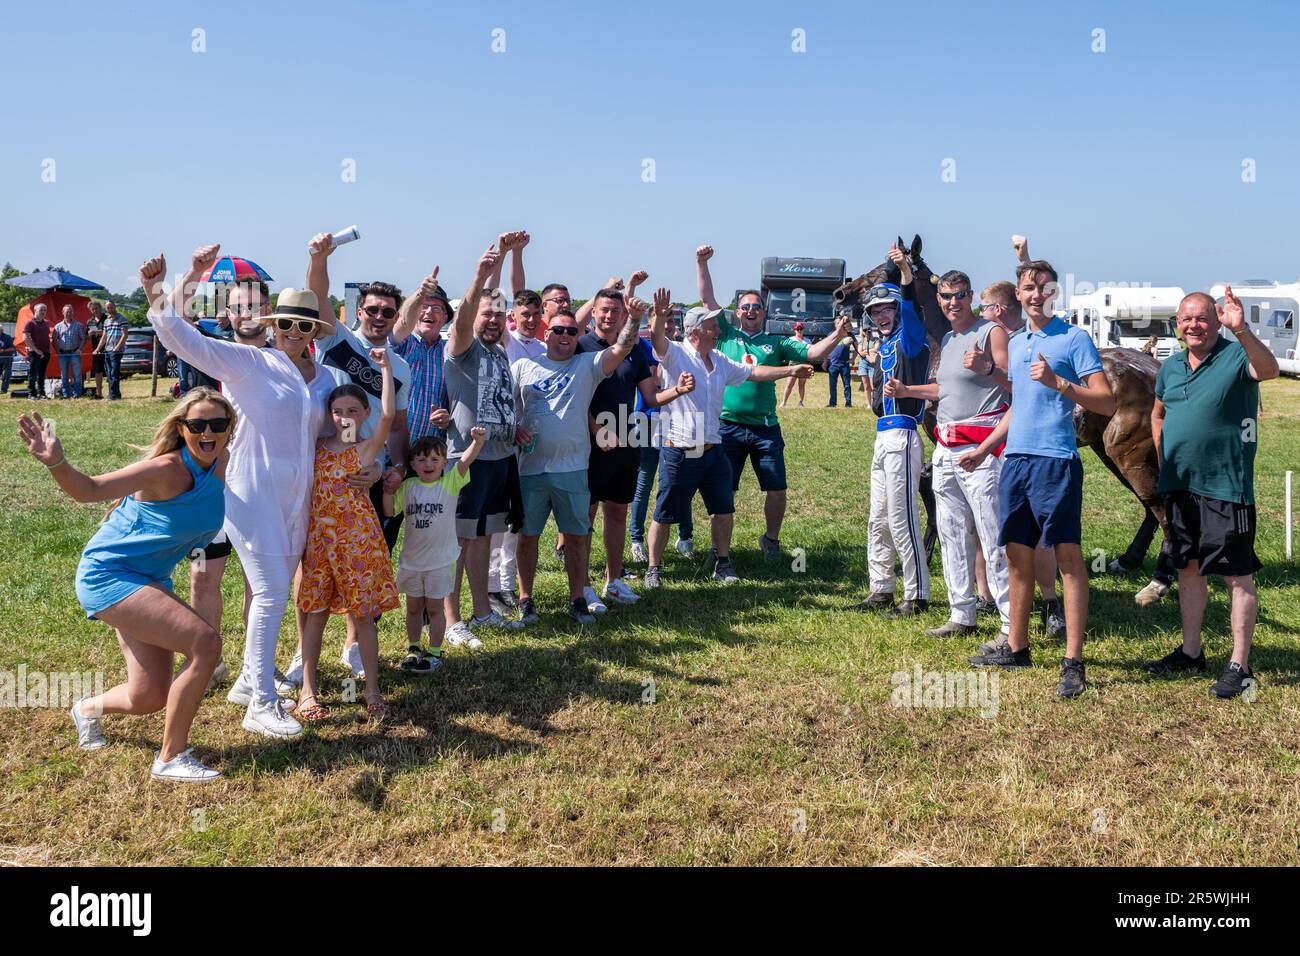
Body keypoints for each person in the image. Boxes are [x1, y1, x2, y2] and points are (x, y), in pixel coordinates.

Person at [145, 245, 344, 740]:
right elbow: (175, 332)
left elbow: (340, 431)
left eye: (305, 326)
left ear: (315, 333)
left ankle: (250, 681)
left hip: (297, 500)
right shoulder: (249, 364)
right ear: (274, 327)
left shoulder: (319, 381)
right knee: (274, 591)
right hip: (250, 495)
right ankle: (260, 702)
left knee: (269, 591)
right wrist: (184, 278)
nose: (295, 333)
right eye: (287, 324)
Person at [16, 391, 231, 782]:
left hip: (148, 579)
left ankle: (86, 710)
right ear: (182, 430)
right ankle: (171, 757)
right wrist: (57, 462)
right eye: (197, 425)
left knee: (148, 696)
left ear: (230, 429)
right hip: (110, 575)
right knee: (205, 644)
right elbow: (91, 490)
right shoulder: (165, 469)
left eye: (218, 424)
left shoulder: (220, 464)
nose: (208, 433)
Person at [958, 257, 1115, 698]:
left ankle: (1073, 660)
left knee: (1067, 560)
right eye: (1028, 288)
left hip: (1056, 463)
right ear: (1020, 295)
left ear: (1053, 294)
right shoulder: (1018, 340)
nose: (1035, 295)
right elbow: (1018, 406)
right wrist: (986, 447)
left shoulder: (1073, 338)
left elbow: (1105, 402)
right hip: (1017, 463)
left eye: (1043, 288)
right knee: (1016, 556)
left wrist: (1059, 382)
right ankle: (1017, 646)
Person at [1144, 287, 1279, 698]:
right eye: (1186, 319)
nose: (1193, 325)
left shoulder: (1237, 355)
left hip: (1226, 486)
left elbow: (1270, 369)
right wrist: (1165, 460)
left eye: (1202, 318)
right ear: (1177, 324)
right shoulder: (1169, 367)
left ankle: (1240, 664)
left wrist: (1244, 332)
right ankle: (1191, 651)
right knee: (1188, 567)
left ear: (1217, 320)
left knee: (1236, 576)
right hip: (1180, 486)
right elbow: (1159, 412)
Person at [645, 290, 812, 587]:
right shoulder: (676, 353)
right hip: (679, 450)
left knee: (724, 510)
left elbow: (754, 372)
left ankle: (723, 563)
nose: (718, 330)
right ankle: (654, 569)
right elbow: (657, 339)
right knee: (664, 513)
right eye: (712, 326)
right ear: (696, 331)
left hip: (713, 448)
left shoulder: (719, 359)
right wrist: (658, 314)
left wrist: (790, 369)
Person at [695, 244, 849, 560]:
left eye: (757, 307)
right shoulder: (725, 335)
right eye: (745, 307)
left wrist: (836, 335)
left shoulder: (776, 342)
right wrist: (701, 263)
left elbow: (813, 355)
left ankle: (771, 540)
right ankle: (718, 548)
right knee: (724, 492)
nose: (751, 311)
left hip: (765, 429)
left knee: (777, 490)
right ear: (736, 312)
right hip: (727, 427)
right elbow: (708, 299)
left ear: (764, 313)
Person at [306, 232, 413, 677]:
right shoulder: (337, 341)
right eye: (372, 309)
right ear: (358, 311)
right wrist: (319, 257)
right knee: (314, 562)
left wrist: (398, 470)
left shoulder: (401, 367)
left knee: (368, 561)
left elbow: (396, 425)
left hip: (369, 475)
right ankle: (304, 651)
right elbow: (316, 296)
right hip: (322, 466)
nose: (380, 316)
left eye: (388, 312)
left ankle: (354, 643)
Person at [886, 269, 1012, 639]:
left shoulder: (992, 332)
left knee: (992, 536)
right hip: (946, 447)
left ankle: (1008, 622)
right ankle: (962, 615)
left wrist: (987, 367)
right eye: (945, 296)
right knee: (952, 532)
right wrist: (907, 387)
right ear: (938, 299)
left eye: (959, 295)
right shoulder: (950, 338)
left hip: (982, 448)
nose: (952, 302)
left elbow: (1015, 387)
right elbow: (943, 388)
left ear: (970, 296)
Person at [296, 351, 400, 721]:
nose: (345, 417)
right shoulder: (317, 448)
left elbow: (389, 415)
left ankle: (372, 691)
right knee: (316, 613)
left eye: (353, 410)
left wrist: (386, 369)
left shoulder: (365, 449)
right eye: (338, 411)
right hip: (321, 543)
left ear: (364, 414)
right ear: (329, 415)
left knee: (364, 615)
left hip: (358, 541)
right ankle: (308, 692)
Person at [442, 244, 527, 647]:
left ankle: (481, 612)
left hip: (499, 458)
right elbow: (464, 317)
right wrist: (480, 275)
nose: (492, 319)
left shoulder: (498, 351)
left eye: (498, 314)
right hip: (466, 458)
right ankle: (450, 620)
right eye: (485, 313)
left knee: (482, 540)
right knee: (458, 541)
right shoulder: (464, 349)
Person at [576, 284, 677, 609]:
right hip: (591, 442)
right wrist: (596, 430)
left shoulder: (634, 349)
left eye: (615, 311)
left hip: (626, 438)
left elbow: (649, 397)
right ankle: (584, 586)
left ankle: (613, 580)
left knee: (618, 511)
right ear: (593, 313)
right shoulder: (581, 346)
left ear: (624, 315)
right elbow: (574, 400)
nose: (608, 316)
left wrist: (678, 391)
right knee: (586, 516)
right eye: (603, 310)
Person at [979, 273, 1064, 636]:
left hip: (1035, 447)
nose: (977, 313)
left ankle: (1050, 603)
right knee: (998, 532)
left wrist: (987, 370)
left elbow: (1020, 391)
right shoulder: (1007, 341)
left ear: (996, 309)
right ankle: (995, 603)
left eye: (981, 307)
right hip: (1003, 444)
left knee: (1041, 537)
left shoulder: (1021, 341)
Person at [855, 246, 933, 616]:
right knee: (878, 517)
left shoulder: (909, 340)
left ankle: (916, 594)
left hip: (903, 433)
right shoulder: (884, 345)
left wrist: (904, 272)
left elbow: (911, 307)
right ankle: (881, 587)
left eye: (886, 309)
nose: (883, 315)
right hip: (881, 435)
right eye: (876, 311)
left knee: (902, 517)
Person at [383, 430, 482, 673]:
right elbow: (389, 512)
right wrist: (387, 492)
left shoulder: (450, 483)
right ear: (413, 464)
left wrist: (477, 442)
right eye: (422, 459)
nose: (428, 464)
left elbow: (465, 461)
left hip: (440, 562)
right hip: (412, 562)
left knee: (436, 608)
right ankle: (414, 647)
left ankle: (435, 651)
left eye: (435, 460)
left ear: (444, 463)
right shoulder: (408, 487)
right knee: (414, 608)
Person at [488, 287, 548, 617]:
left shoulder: (542, 347)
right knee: (500, 519)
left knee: (518, 520)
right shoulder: (507, 342)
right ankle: (493, 586)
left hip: (531, 443)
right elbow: (504, 292)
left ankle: (508, 585)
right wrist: (512, 254)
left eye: (536, 314)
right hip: (503, 440)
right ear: (513, 317)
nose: (530, 320)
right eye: (524, 314)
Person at [629, 307, 696, 562]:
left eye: (670, 321)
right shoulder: (643, 347)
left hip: (680, 422)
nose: (666, 326)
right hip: (647, 420)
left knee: (681, 482)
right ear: (651, 322)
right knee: (644, 483)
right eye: (661, 321)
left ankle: (685, 536)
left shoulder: (683, 349)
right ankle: (636, 540)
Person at [53, 305, 87, 399]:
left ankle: (76, 395)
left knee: (77, 375)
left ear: (73, 313)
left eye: (71, 311)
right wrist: (57, 351)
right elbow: (54, 340)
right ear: (63, 313)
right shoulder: (58, 326)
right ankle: (65, 395)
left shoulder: (79, 325)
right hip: (63, 354)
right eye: (67, 311)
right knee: (64, 375)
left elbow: (84, 339)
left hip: (74, 353)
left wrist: (79, 349)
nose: (69, 313)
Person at [98, 300, 128, 401]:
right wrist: (98, 348)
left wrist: (118, 347)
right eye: (108, 308)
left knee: (114, 372)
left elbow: (125, 334)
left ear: (115, 307)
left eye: (111, 307)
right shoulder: (106, 321)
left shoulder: (122, 319)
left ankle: (112, 395)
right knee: (109, 373)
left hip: (116, 350)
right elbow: (104, 336)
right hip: (107, 350)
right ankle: (116, 394)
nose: (110, 309)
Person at [23, 303, 51, 399]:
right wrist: (36, 350)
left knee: (42, 374)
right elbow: (26, 338)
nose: (43, 312)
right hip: (34, 353)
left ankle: (41, 393)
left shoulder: (47, 323)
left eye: (45, 310)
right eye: (41, 310)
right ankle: (32, 394)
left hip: (46, 352)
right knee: (33, 374)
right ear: (35, 310)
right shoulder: (30, 323)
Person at [781, 323, 809, 407]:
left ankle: (800, 402)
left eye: (801, 329)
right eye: (798, 329)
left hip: (804, 364)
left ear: (803, 329)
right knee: (789, 384)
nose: (799, 331)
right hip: (793, 364)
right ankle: (784, 402)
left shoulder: (807, 341)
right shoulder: (791, 339)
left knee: (802, 384)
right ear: (795, 330)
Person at [825, 333, 855, 408]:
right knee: (832, 385)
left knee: (847, 385)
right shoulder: (831, 335)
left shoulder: (849, 334)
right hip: (833, 365)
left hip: (844, 365)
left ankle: (848, 403)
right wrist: (825, 361)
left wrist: (853, 358)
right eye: (837, 322)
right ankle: (832, 403)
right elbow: (826, 348)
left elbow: (857, 346)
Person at [86, 302, 105, 398]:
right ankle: (99, 393)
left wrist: (96, 331)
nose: (95, 311)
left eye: (96, 308)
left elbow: (107, 332)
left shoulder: (107, 319)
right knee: (97, 371)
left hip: (107, 348)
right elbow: (87, 336)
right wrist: (89, 334)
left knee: (109, 371)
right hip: (95, 349)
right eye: (92, 309)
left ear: (100, 308)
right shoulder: (90, 321)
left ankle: (112, 393)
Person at [0, 325, 14, 394]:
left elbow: (12, 348)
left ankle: (4, 390)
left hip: (7, 359)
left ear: (2, 330)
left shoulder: (7, 337)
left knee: (6, 375)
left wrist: (3, 350)